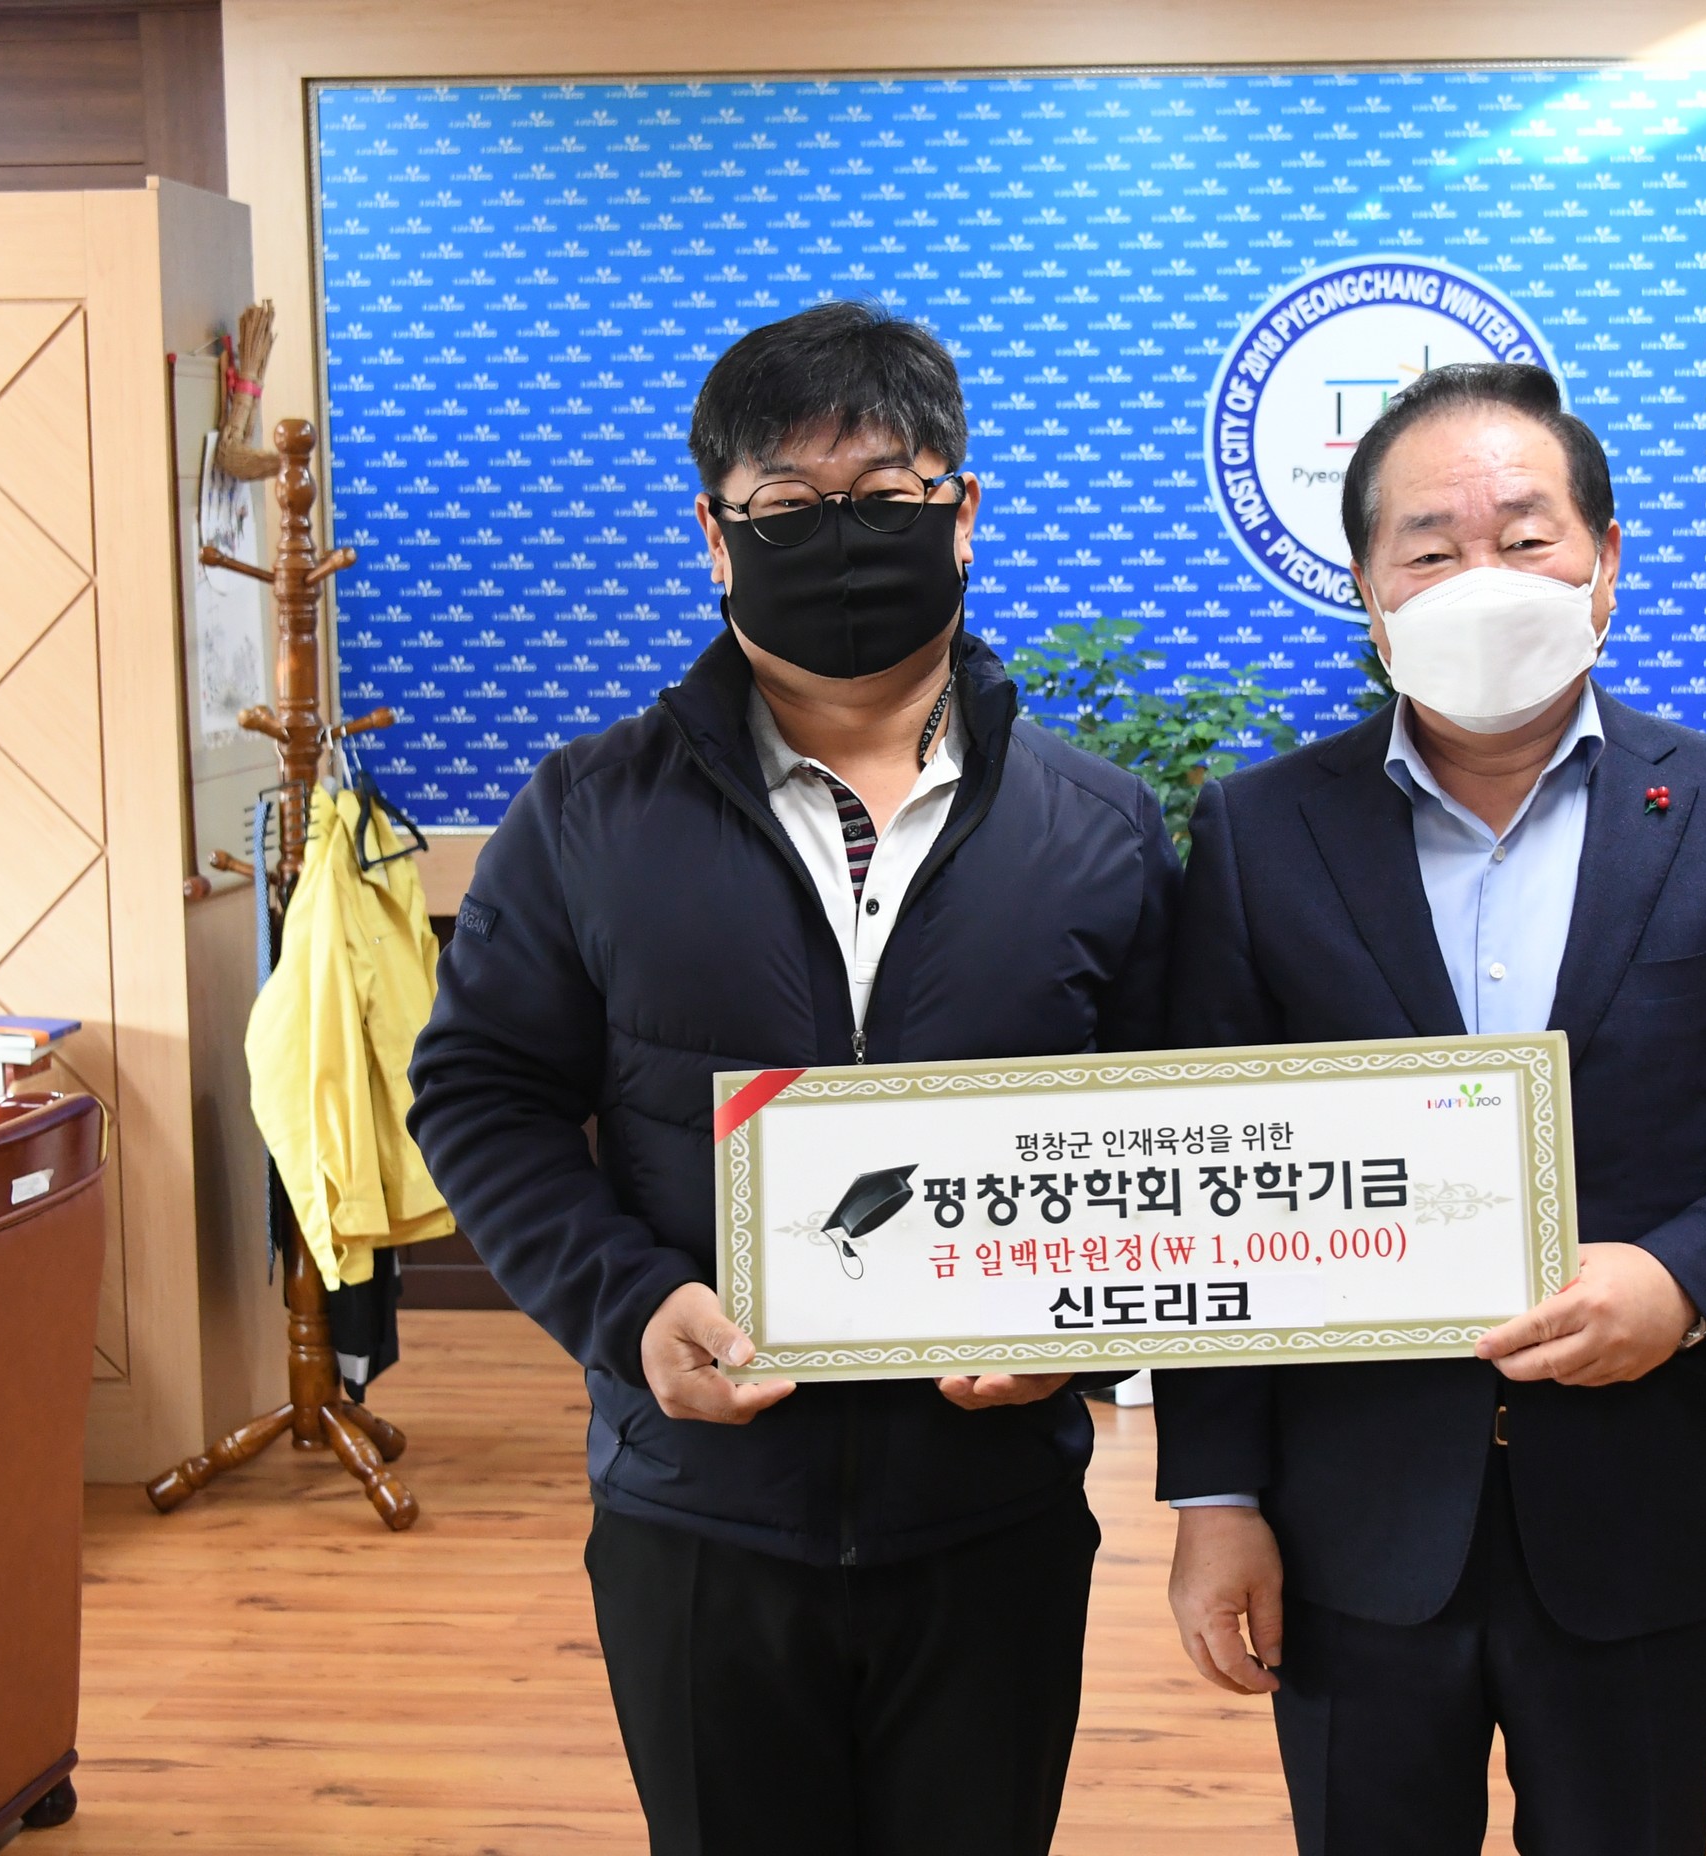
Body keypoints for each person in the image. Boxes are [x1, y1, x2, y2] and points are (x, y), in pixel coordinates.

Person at [407, 301, 1177, 1856]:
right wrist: (628, 1306)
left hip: (993, 1519)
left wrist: (1087, 1336)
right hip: (700, 1507)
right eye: (784, 507)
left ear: (962, 511)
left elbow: (1168, 1138)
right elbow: (480, 1093)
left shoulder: (1100, 829)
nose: (837, 538)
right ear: (714, 534)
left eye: (883, 498)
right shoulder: (587, 812)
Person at [1154, 362, 1706, 1855]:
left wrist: (1686, 1281)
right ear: (1369, 592)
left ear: (1605, 563)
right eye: (1430, 549)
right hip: (1355, 1529)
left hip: (1644, 1518)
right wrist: (1216, 1495)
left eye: (1523, 537)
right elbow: (1207, 1172)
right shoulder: (1262, 832)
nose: (1481, 578)